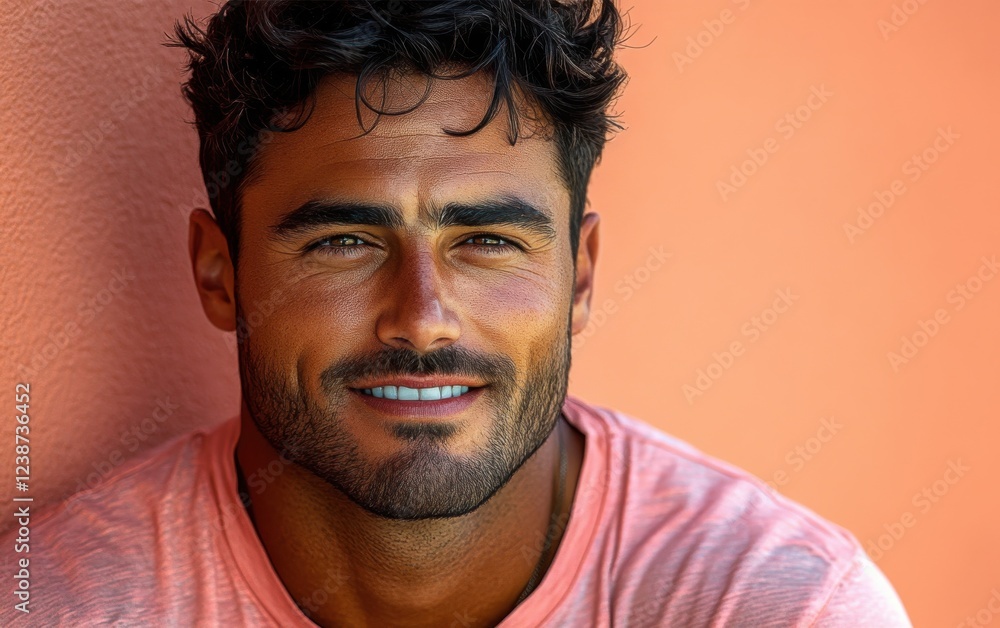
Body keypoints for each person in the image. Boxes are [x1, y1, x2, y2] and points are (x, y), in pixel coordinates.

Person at [2, 1, 913, 625]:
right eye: (344, 242)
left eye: (488, 241)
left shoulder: (780, 607)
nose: (423, 320)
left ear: (580, 275)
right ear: (220, 273)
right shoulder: (58, 604)